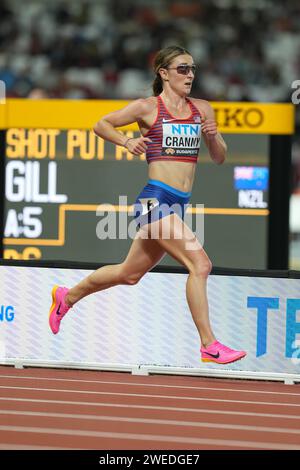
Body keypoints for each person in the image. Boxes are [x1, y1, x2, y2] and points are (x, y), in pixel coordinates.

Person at [48, 45, 246, 365]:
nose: (190, 75)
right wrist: (127, 141)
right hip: (155, 200)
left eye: (193, 69)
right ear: (163, 73)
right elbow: (102, 124)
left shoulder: (203, 109)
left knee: (129, 274)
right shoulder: (146, 108)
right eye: (182, 69)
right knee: (201, 265)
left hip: (178, 204)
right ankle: (209, 344)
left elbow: (220, 157)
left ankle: (65, 297)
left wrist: (212, 137)